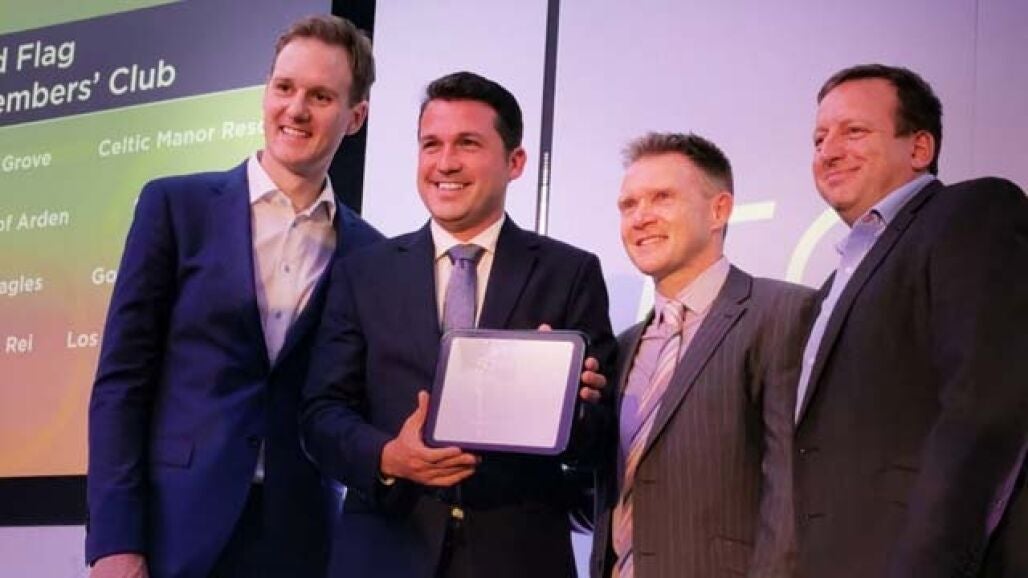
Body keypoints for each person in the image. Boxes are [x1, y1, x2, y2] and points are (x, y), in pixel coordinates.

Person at [85, 14, 382, 578]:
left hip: (301, 543)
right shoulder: (175, 208)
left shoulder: (369, 251)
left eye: (321, 96)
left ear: (355, 117)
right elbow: (121, 383)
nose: (296, 109)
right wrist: (114, 541)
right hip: (173, 532)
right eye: (284, 87)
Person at [300, 70, 616, 578]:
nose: (445, 162)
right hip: (386, 551)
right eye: (431, 144)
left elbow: (599, 436)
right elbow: (320, 415)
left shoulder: (569, 272)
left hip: (519, 556)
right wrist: (388, 456)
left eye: (468, 143)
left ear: (515, 162)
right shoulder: (363, 273)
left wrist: (564, 408)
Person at [793, 63, 1028, 578]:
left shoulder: (970, 212)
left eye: (854, 131)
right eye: (819, 139)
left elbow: (984, 407)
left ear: (919, 148)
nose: (829, 151)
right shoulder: (829, 290)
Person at [588, 133, 814, 578]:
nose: (641, 217)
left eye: (662, 198)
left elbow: (790, 489)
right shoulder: (625, 344)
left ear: (719, 210)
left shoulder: (783, 313)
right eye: (628, 205)